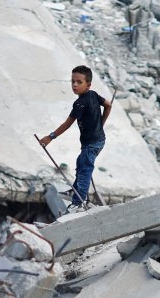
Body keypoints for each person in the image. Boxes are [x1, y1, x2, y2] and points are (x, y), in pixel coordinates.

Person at [40, 65, 111, 209]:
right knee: (81, 163)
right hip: (98, 140)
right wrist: (101, 123)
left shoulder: (80, 103)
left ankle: (78, 203)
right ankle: (75, 191)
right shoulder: (93, 94)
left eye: (79, 82)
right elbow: (108, 105)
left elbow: (67, 124)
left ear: (88, 85)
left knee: (85, 169)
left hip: (92, 143)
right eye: (72, 81)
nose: (74, 85)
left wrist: (50, 137)